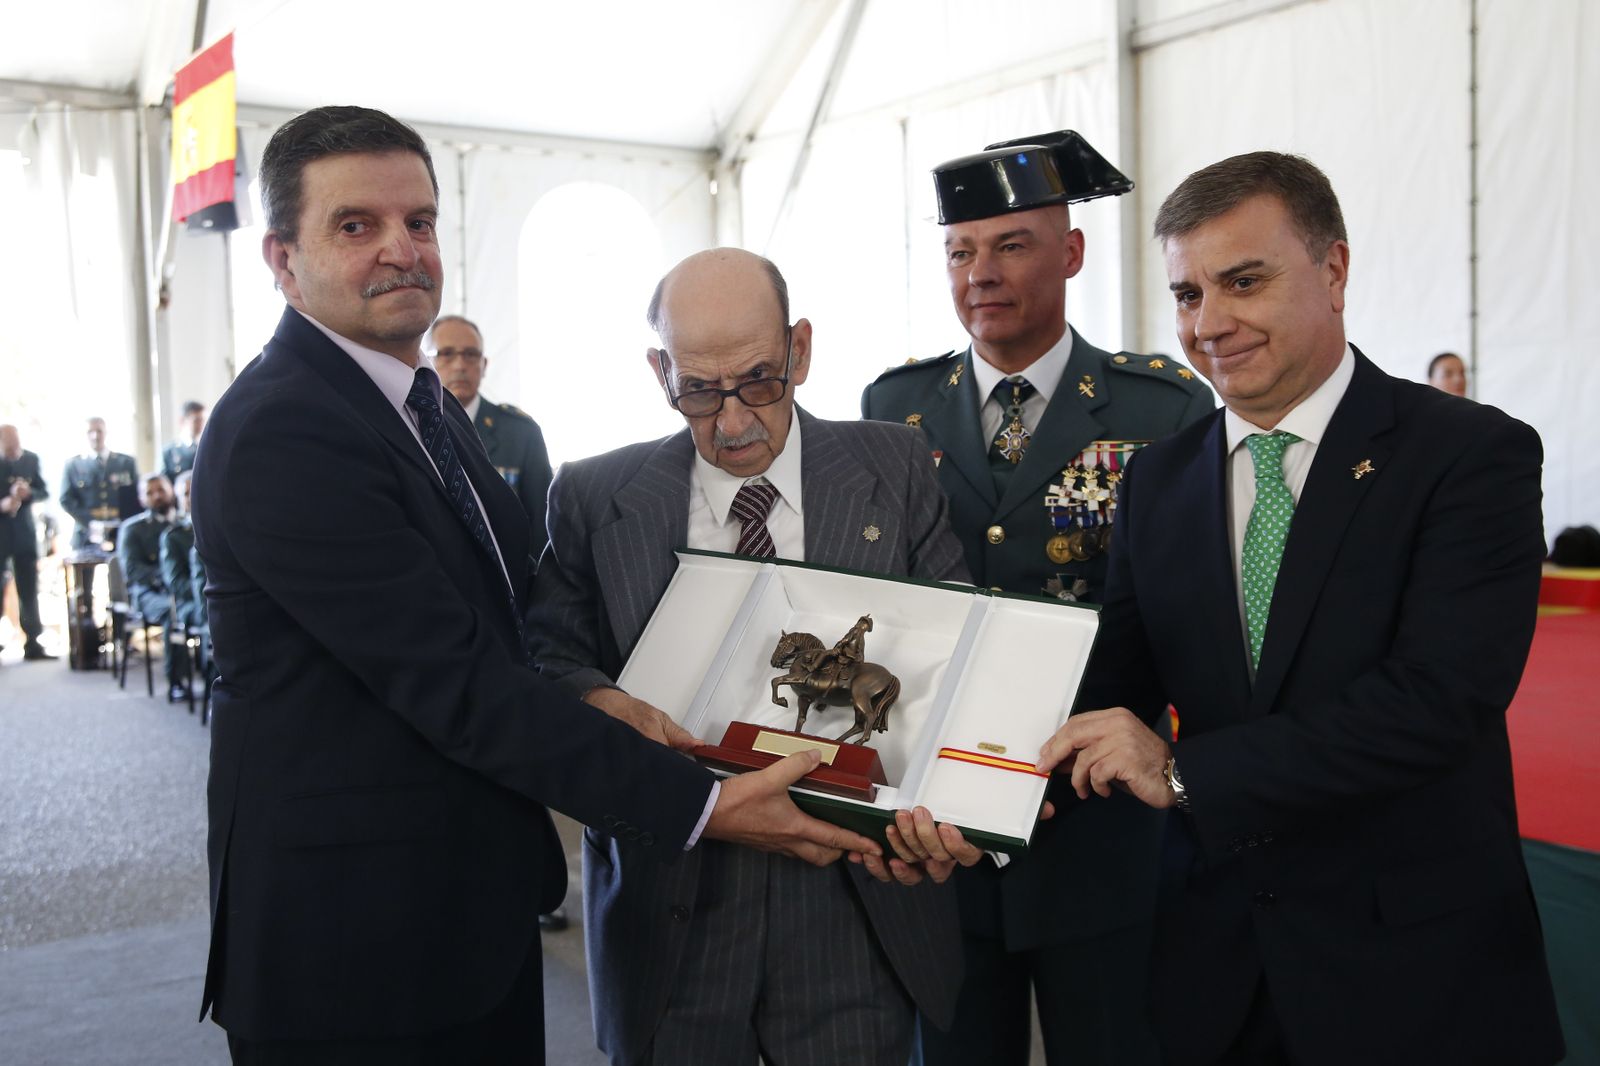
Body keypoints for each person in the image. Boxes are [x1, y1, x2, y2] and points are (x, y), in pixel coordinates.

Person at [191, 105, 881, 1065]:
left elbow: (521, 623)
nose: (402, 250)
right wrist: (705, 806)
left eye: (420, 222)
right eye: (357, 226)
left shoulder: (420, 406)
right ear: (281, 256)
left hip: (464, 916)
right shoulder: (285, 430)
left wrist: (601, 699)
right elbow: (459, 680)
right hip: (354, 952)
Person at [1039, 151, 1565, 1066]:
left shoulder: (1470, 455)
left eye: (1243, 281)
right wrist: (962, 792)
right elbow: (1108, 688)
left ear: (1334, 270)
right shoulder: (1159, 479)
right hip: (1217, 971)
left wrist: (1184, 770)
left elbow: (1436, 704)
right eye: (1188, 293)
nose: (1210, 323)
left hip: (1418, 975)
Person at [528, 247, 982, 1066]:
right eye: (698, 391)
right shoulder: (594, 496)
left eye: (760, 381)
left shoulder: (895, 465)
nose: (733, 423)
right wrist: (595, 702)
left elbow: (957, 652)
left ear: (800, 350)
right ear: (659, 371)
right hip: (675, 909)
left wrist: (960, 800)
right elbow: (548, 659)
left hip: (854, 907)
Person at [862, 131, 1211, 1066]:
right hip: (943, 831)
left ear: (1072, 253)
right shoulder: (894, 409)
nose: (981, 271)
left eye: (1011, 244)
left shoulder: (1160, 409)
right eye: (960, 251)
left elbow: (1195, 619)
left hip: (1097, 825)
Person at [431, 315, 555, 555]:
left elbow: (543, 527)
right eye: (446, 354)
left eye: (470, 354)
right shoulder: (411, 425)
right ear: (427, 361)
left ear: (484, 365)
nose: (459, 365)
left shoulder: (521, 433)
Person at [117, 474, 190, 699]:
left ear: (172, 492)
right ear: (142, 500)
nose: (157, 496)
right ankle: (176, 680)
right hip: (149, 593)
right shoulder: (133, 529)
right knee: (173, 610)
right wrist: (167, 579)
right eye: (150, 493)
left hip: (181, 589)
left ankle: (210, 672)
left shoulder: (186, 524)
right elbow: (132, 571)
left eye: (161, 490)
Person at [0, 424, 55, 660]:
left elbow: (44, 491)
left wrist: (28, 493)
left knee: (29, 589)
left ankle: (33, 642)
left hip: (24, 533)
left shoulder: (31, 459)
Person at [59, 417, 139, 548]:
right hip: (86, 531)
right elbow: (65, 500)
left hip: (119, 529)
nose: (95, 436)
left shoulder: (126, 463)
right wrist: (90, 522)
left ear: (106, 433)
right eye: (90, 432)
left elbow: (135, 496)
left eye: (99, 431)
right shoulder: (73, 465)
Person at [162, 400, 207, 481]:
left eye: (203, 420)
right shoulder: (169, 451)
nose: (201, 424)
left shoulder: (207, 448)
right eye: (196, 420)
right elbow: (163, 482)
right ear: (182, 421)